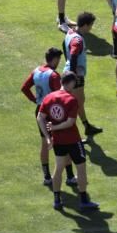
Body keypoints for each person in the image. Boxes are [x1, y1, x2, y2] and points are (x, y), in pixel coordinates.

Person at [37, 72, 99, 211]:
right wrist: (55, 127)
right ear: (70, 82)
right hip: (73, 140)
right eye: (74, 82)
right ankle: (83, 200)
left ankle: (57, 200)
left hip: (58, 141)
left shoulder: (49, 97)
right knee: (81, 169)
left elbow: (40, 117)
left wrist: (48, 136)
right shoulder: (71, 99)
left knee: (58, 168)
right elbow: (70, 122)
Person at [21, 48, 77, 187]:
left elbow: (24, 88)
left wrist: (35, 100)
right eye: (58, 59)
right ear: (54, 59)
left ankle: (47, 176)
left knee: (45, 144)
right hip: (55, 112)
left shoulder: (36, 71)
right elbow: (59, 96)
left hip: (40, 110)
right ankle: (70, 176)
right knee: (66, 143)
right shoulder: (53, 76)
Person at [63, 12, 102, 138]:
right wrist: (73, 75)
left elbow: (64, 47)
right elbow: (74, 54)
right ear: (84, 25)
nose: (91, 28)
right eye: (90, 26)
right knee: (77, 103)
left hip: (69, 72)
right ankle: (71, 131)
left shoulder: (70, 32)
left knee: (79, 101)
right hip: (75, 76)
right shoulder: (78, 40)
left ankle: (86, 126)